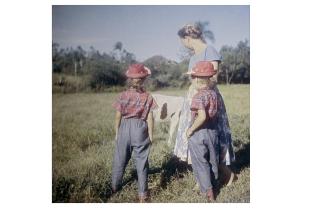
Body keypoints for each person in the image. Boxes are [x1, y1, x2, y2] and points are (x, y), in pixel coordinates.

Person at [174, 23, 236, 186]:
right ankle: (203, 177)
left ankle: (227, 175)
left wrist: (199, 90)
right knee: (196, 138)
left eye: (182, 41)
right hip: (194, 99)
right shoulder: (193, 56)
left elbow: (213, 78)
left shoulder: (210, 50)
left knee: (211, 135)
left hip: (208, 98)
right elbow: (192, 78)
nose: (183, 44)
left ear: (187, 39)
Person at [111, 63, 158, 202]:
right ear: (143, 79)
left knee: (119, 160)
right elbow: (150, 117)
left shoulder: (123, 95)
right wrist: (151, 135)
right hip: (140, 128)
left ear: (129, 80)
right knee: (141, 162)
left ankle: (115, 188)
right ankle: (143, 194)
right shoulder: (148, 97)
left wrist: (117, 133)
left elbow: (117, 116)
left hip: (124, 127)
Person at [186, 61, 219, 201]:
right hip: (212, 130)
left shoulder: (197, 96)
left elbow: (202, 116)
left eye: (193, 77)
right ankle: (214, 183)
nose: (192, 79)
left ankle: (207, 191)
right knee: (213, 159)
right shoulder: (213, 93)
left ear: (197, 79)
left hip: (199, 132)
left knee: (200, 162)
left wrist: (190, 130)